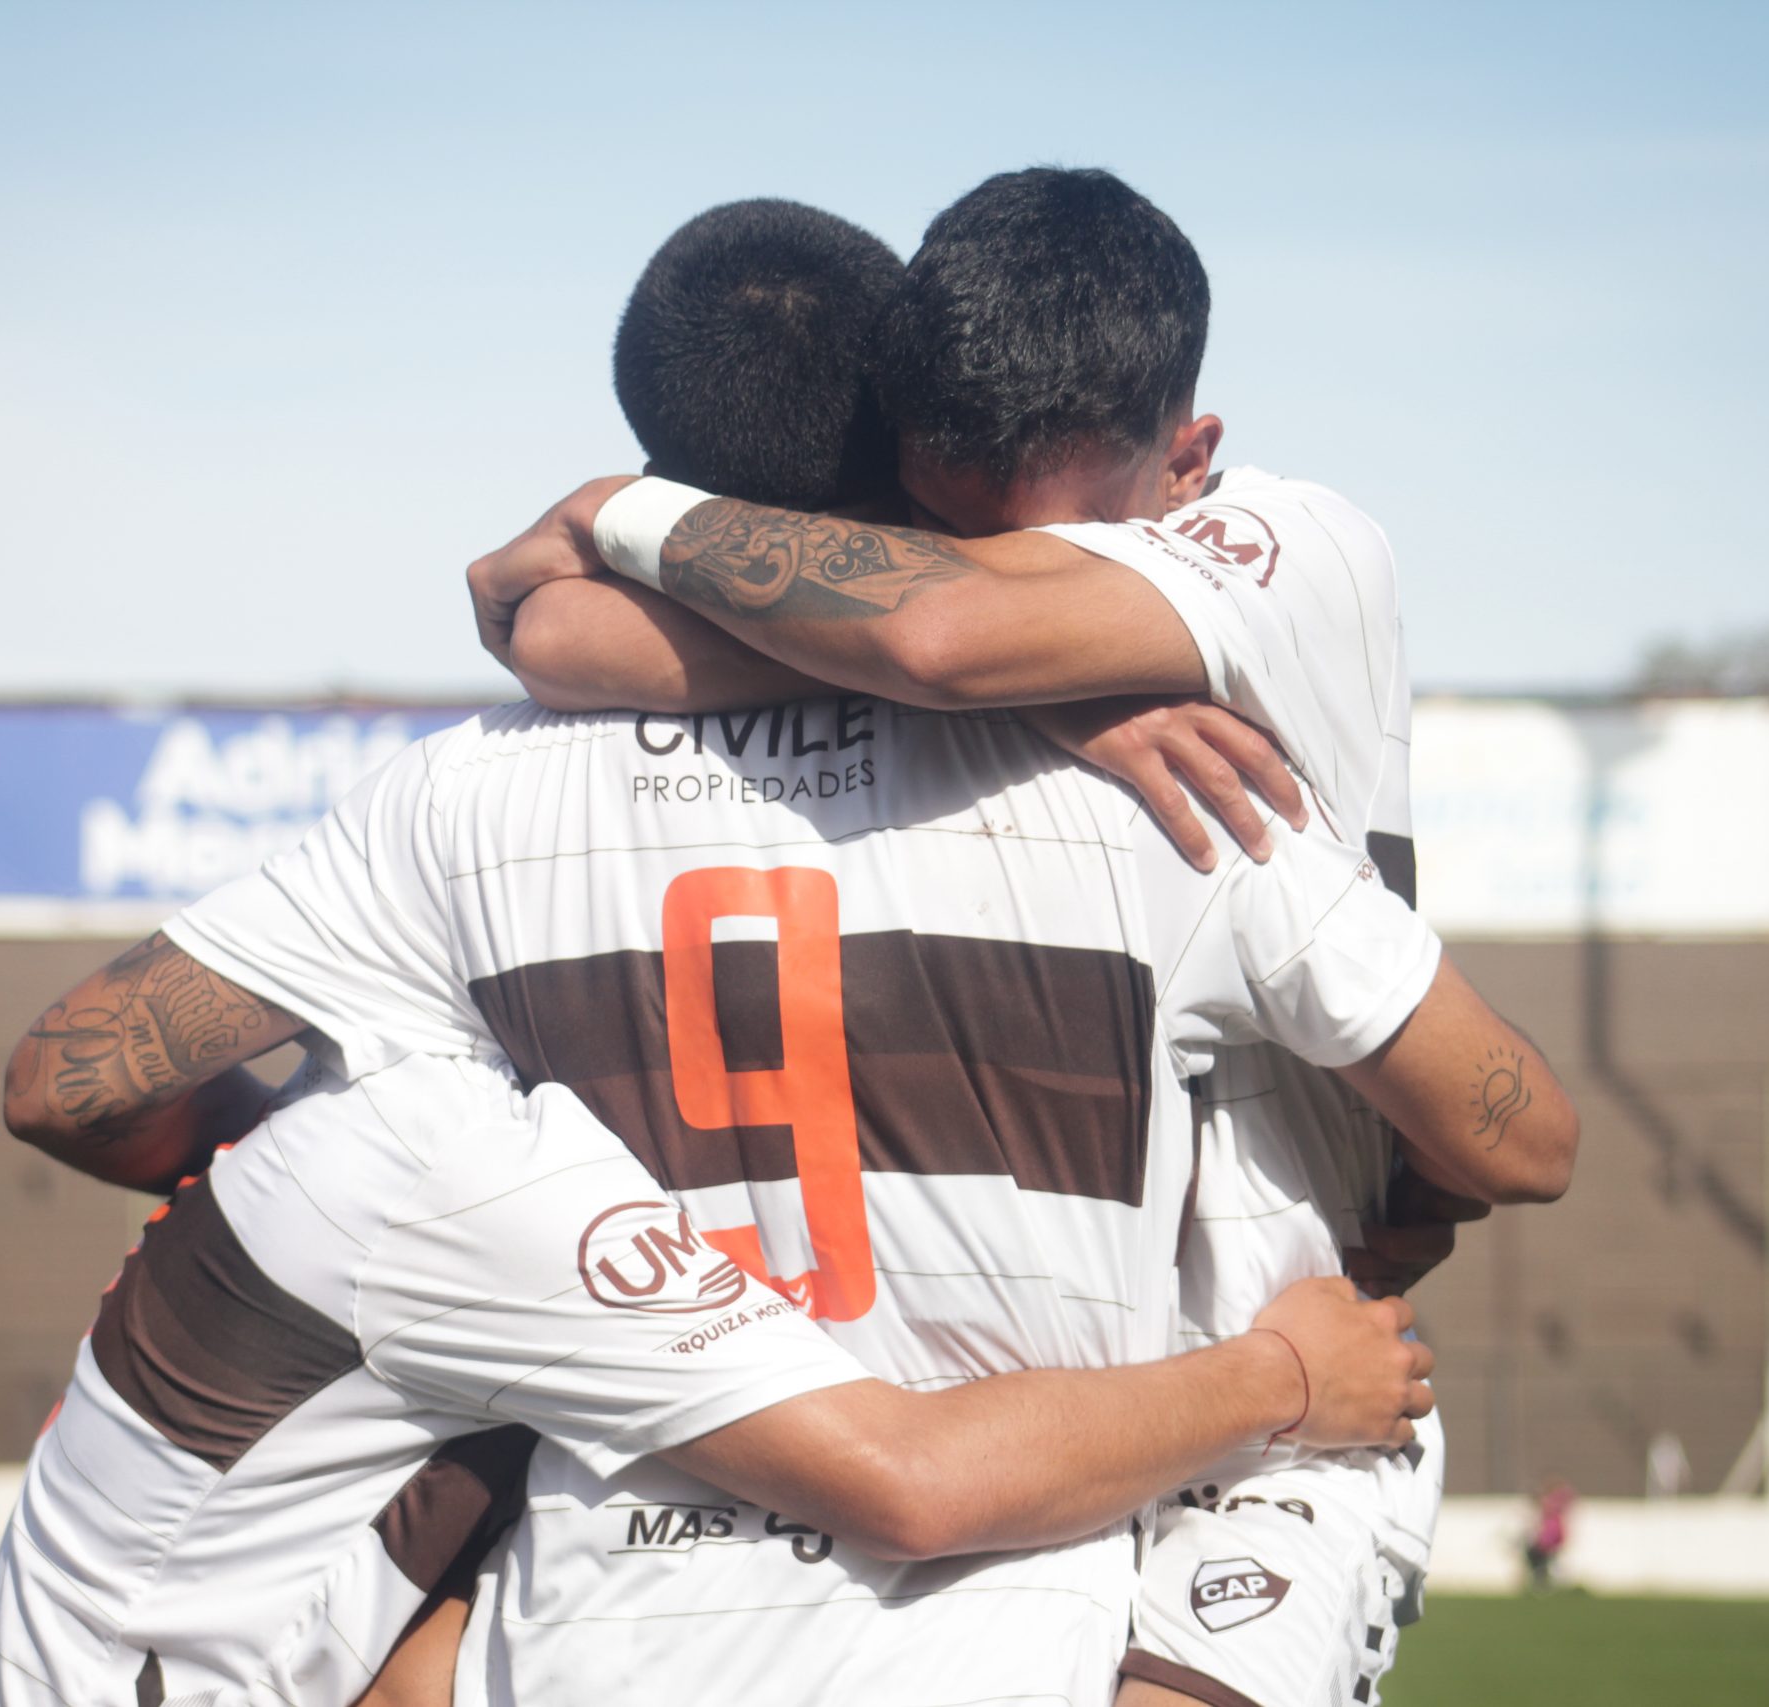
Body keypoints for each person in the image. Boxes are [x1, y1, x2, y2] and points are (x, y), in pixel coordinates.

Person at [4, 193, 1573, 1707]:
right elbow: (1513, 1133)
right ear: (906, 459)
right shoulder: (1183, 791)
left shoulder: (455, 797)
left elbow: (75, 1080)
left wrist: (354, 1175)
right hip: (1016, 1608)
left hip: (585, 1632)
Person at [477, 167, 1527, 1707]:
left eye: (1070, 563)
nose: (1011, 579)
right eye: (936, 527)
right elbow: (566, 631)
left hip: (1295, 1340)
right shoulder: (987, 575)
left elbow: (936, 626)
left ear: (1189, 464)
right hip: (1105, 1380)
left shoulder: (1298, 549)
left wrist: (609, 513)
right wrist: (1045, 685)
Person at [0, 1053, 1413, 1706]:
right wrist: (1279, 1372)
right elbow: (913, 1477)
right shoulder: (460, 1174)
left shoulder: (317, 1158)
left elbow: (54, 1083)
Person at [1522, 1479, 1575, 1592]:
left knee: (1541, 1558)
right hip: (1548, 1537)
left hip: (1550, 1538)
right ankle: (1542, 1581)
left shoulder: (1553, 1506)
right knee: (1541, 1559)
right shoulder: (1551, 1507)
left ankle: (1543, 1582)